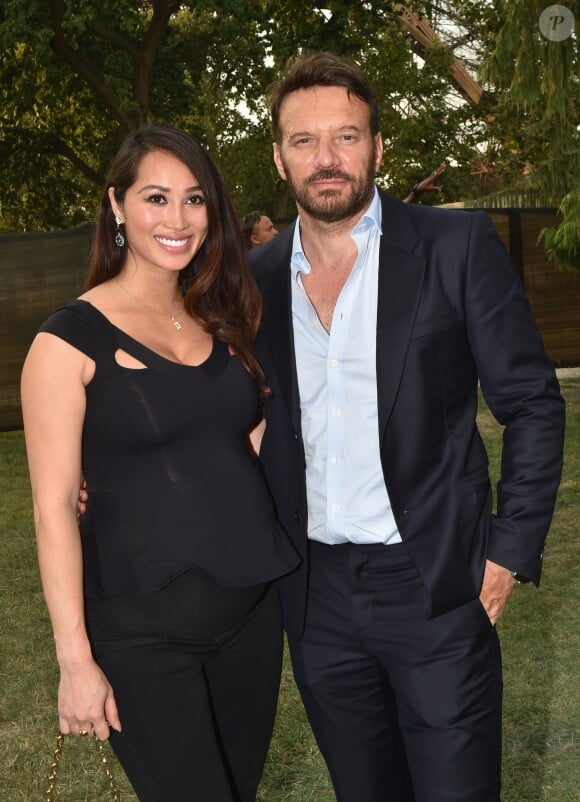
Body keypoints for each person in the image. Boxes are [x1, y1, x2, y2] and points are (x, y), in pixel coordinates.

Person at [248, 53, 565, 802]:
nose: (326, 159)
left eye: (346, 136)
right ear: (279, 154)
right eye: (304, 141)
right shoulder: (252, 276)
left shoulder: (454, 248)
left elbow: (531, 402)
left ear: (378, 147)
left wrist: (508, 550)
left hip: (432, 584)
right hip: (315, 596)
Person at [21, 124, 299, 802]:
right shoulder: (66, 342)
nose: (178, 219)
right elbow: (53, 508)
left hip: (251, 620)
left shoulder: (224, 318)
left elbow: (247, 441)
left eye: (195, 199)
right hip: (141, 640)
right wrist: (74, 659)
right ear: (116, 206)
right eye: (156, 198)